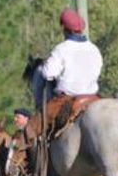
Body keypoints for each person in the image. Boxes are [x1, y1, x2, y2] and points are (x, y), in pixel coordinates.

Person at [23, 8, 103, 141]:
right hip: (93, 97)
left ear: (65, 29)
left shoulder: (62, 49)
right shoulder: (94, 49)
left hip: (66, 99)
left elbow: (48, 73)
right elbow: (98, 70)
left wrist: (46, 63)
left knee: (30, 130)